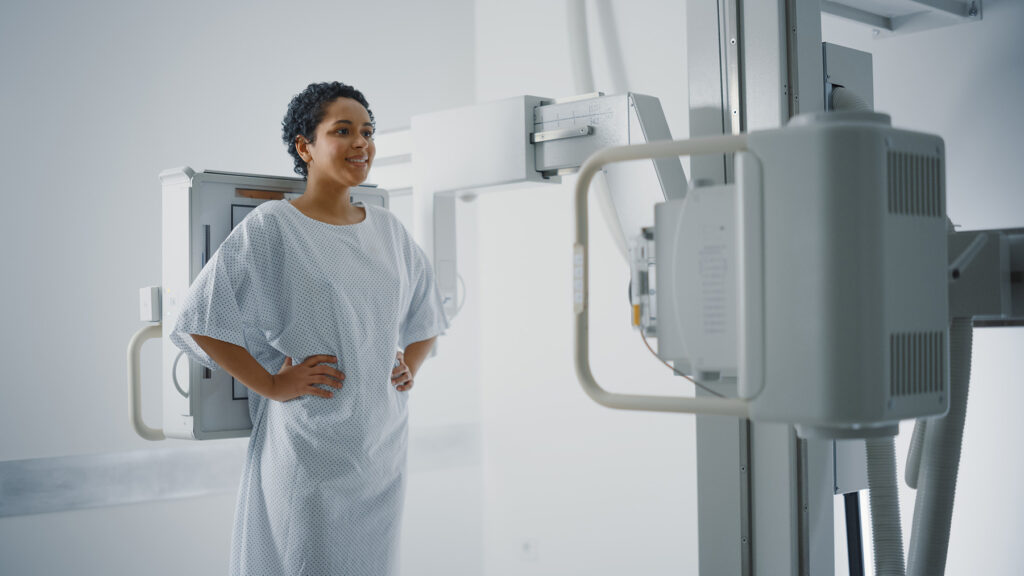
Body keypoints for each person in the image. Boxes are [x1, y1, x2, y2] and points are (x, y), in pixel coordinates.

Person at [170, 81, 448, 576]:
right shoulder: (274, 225)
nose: (361, 143)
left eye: (367, 131)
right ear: (305, 146)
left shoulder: (387, 229)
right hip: (310, 456)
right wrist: (273, 383)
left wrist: (410, 362)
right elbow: (201, 321)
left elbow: (428, 313)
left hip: (381, 454)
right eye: (343, 131)